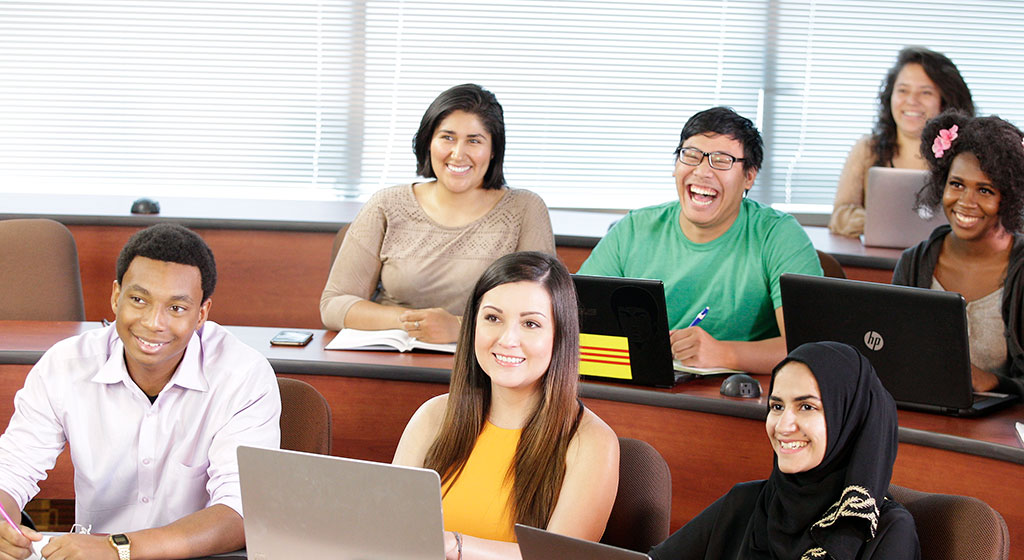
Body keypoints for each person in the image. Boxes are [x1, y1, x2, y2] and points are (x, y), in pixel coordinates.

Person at [0, 224, 281, 560]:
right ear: (116, 296)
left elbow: (240, 511)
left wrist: (118, 548)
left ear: (201, 313)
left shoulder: (242, 375)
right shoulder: (65, 365)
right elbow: (11, 469)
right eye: (138, 299)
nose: (153, 323)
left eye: (176, 308)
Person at [392, 251, 619, 559]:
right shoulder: (432, 416)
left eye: (531, 324)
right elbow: (391, 535)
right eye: (493, 318)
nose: (508, 339)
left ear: (560, 336)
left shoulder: (592, 442)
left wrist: (456, 546)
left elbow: (558, 558)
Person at [578, 106, 821, 374]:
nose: (702, 172)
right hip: (640, 387)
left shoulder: (778, 235)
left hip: (734, 399)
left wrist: (724, 353)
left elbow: (810, 348)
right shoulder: (634, 229)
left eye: (721, 160)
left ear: (749, 176)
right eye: (691, 156)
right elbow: (574, 325)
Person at [320, 84, 556, 344]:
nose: (458, 153)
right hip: (388, 355)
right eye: (447, 137)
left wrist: (459, 327)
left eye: (474, 141)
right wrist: (417, 322)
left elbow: (540, 312)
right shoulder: (386, 204)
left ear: (493, 151)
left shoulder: (524, 209)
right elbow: (334, 305)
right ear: (428, 142)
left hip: (488, 362)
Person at [650, 341, 920, 560]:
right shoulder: (745, 502)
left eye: (807, 407)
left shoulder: (887, 530)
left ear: (850, 421)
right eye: (777, 406)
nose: (783, 426)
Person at [893, 111, 1024, 395]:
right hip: (925, 413)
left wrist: (998, 383)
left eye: (985, 190)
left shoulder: (1020, 270)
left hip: (1003, 429)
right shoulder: (914, 263)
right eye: (957, 184)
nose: (966, 202)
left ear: (1010, 198)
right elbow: (892, 355)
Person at [829, 46, 974, 237]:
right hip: (877, 261)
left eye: (925, 92)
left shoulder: (965, 157)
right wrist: (891, 224)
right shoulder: (867, 149)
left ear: (945, 101)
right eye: (903, 90)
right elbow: (841, 216)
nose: (912, 101)